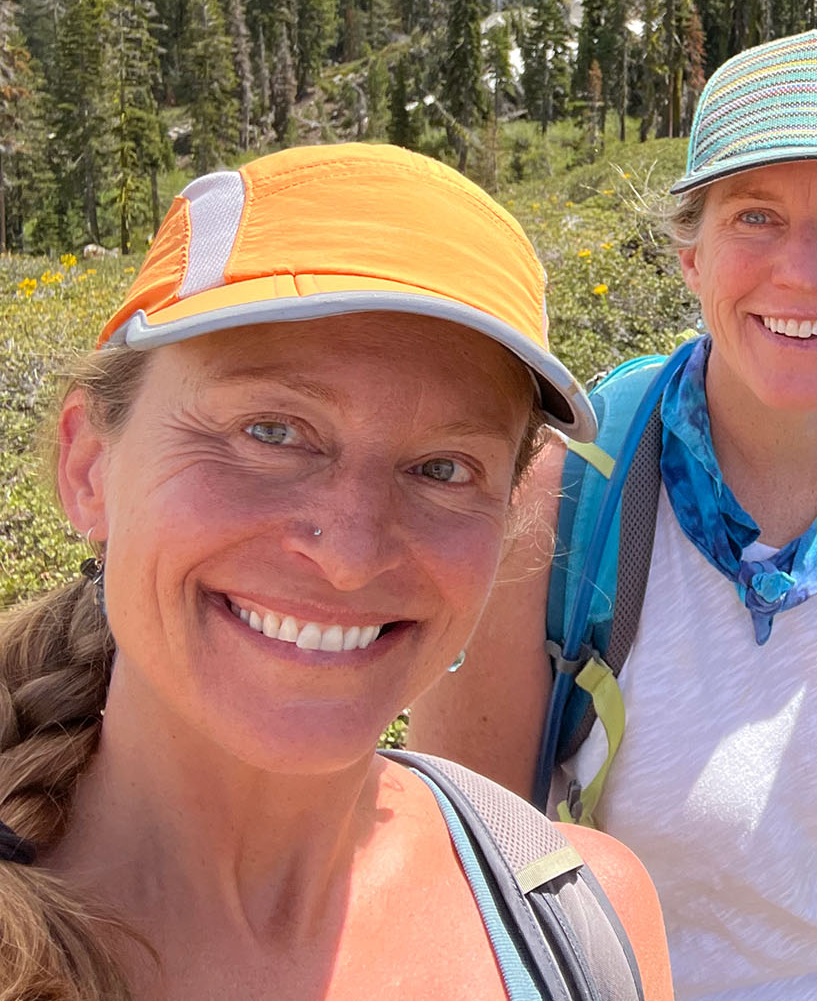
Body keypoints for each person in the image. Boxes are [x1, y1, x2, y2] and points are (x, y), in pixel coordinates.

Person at [411, 30, 817, 1001]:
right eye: (755, 216)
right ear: (690, 253)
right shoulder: (570, 486)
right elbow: (457, 854)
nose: (801, 271)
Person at [0, 143, 671, 1001]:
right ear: (90, 468)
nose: (351, 557)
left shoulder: (582, 918)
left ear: (507, 527)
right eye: (271, 432)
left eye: (442, 469)